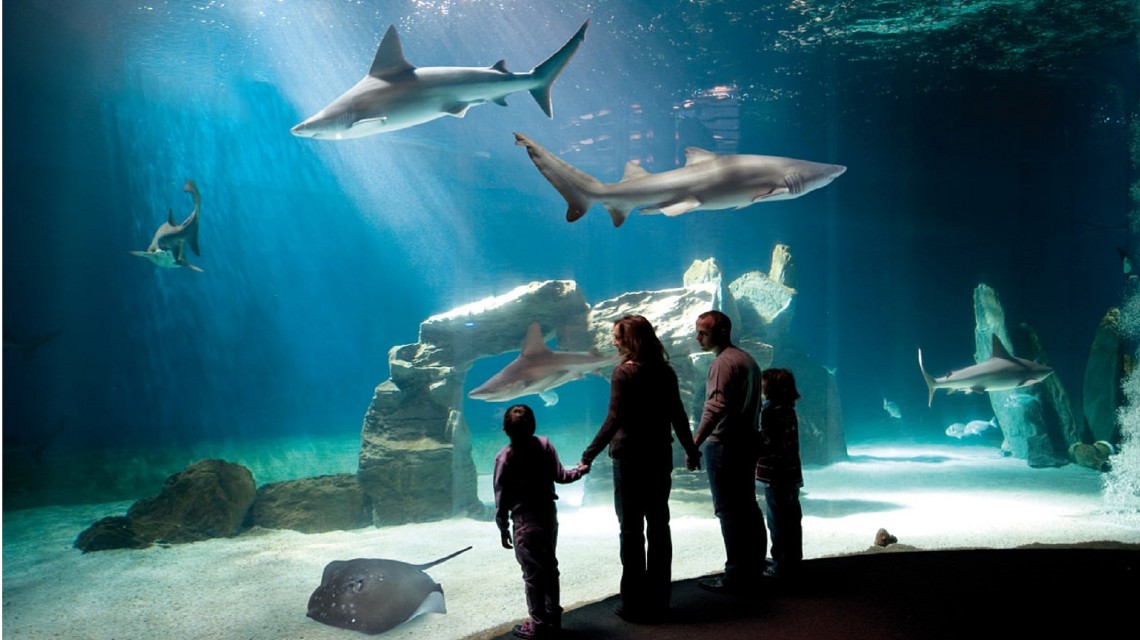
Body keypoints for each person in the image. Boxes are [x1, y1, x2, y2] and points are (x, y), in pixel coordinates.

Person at [580, 315, 701, 623]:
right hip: (659, 456)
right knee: (660, 526)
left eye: (617, 336)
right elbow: (677, 413)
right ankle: (660, 600)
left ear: (630, 340)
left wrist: (589, 453)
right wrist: (690, 449)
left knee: (631, 531)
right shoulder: (666, 371)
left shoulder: (624, 373)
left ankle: (633, 603)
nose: (613, 341)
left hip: (630, 459)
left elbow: (614, 419)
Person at [494, 404, 589, 639]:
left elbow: (501, 497)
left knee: (533, 576)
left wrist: (503, 527)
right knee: (550, 569)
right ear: (534, 426)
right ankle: (553, 620)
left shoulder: (503, 458)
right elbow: (561, 476)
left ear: (505, 430)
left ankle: (537, 625)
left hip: (524, 523)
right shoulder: (545, 445)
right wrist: (580, 470)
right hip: (547, 518)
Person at [692, 310, 767, 593]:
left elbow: (715, 406)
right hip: (748, 442)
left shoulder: (722, 363)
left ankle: (736, 573)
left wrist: (695, 442)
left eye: (703, 332)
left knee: (728, 511)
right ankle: (755, 566)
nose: (697, 337)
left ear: (721, 332)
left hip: (725, 444)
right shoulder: (748, 360)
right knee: (748, 506)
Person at [756, 368, 804, 579]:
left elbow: (771, 445)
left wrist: (750, 441)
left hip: (775, 476)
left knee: (777, 521)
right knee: (792, 520)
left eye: (764, 382)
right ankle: (792, 560)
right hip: (792, 475)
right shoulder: (789, 410)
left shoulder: (770, 412)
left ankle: (781, 565)